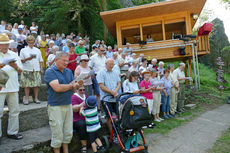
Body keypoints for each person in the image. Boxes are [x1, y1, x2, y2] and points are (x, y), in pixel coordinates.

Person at [44, 52, 80, 153]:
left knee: (68, 131)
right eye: (63, 60)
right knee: (57, 132)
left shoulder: (68, 71)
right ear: (56, 60)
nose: (66, 63)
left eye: (67, 61)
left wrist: (76, 85)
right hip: (55, 105)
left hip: (68, 103)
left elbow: (73, 86)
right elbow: (57, 88)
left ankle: (66, 151)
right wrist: (71, 86)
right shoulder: (50, 71)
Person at [0, 34, 23, 141]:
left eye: (6, 44)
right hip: (1, 87)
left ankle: (13, 132)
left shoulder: (14, 54)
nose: (4, 46)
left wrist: (16, 66)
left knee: (15, 110)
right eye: (2, 44)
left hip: (13, 86)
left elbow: (20, 71)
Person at [97, 59, 121, 133]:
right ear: (106, 64)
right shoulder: (101, 73)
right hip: (106, 99)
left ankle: (120, 131)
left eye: (112, 64)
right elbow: (101, 86)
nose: (111, 66)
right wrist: (112, 92)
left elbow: (119, 83)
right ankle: (112, 134)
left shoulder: (115, 72)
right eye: (110, 64)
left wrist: (115, 91)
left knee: (119, 115)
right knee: (109, 117)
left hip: (115, 98)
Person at [20, 35, 43, 105]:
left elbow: (40, 60)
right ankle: (27, 98)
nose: (31, 44)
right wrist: (28, 59)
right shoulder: (23, 50)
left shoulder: (37, 50)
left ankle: (36, 98)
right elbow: (21, 60)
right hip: (27, 68)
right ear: (27, 42)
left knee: (36, 85)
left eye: (32, 42)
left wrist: (41, 68)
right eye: (30, 42)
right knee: (26, 85)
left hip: (36, 69)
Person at [88, 45, 107, 111]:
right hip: (97, 76)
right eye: (101, 50)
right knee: (98, 92)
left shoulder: (104, 57)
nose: (102, 52)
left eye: (103, 50)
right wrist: (92, 74)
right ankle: (98, 107)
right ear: (98, 49)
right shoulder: (93, 57)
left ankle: (103, 107)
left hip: (104, 76)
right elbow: (90, 67)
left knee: (104, 91)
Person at [72, 86, 88, 153]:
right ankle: (84, 145)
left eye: (84, 90)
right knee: (82, 124)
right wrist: (82, 104)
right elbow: (74, 109)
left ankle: (96, 141)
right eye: (80, 90)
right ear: (76, 90)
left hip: (86, 117)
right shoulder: (74, 97)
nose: (82, 91)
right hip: (76, 119)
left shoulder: (86, 96)